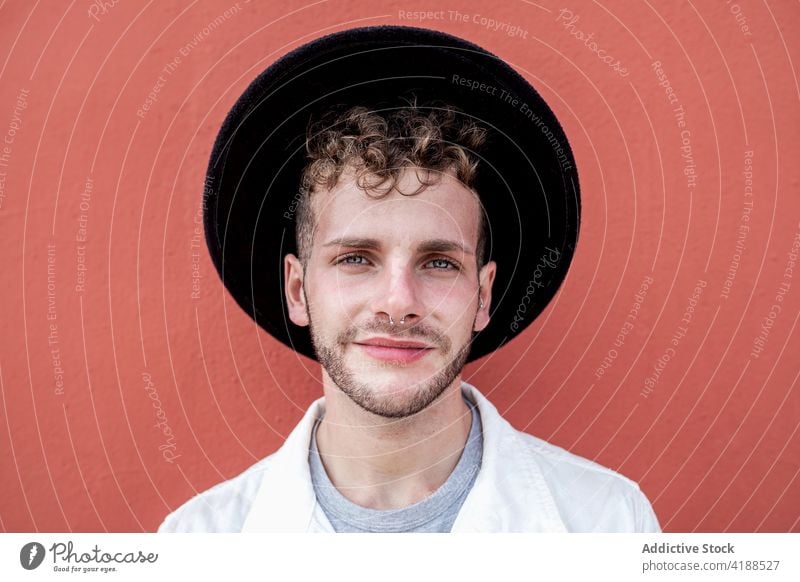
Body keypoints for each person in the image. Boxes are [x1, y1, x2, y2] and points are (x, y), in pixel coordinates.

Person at [158, 25, 660, 533]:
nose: (399, 303)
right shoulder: (198, 541)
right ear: (297, 289)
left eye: (439, 262)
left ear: (483, 296)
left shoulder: (609, 522)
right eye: (356, 259)